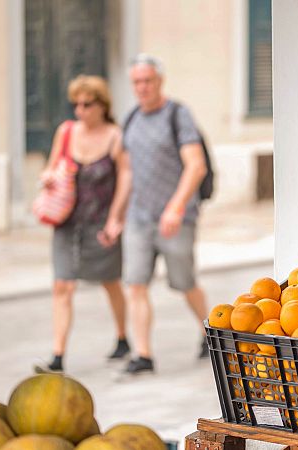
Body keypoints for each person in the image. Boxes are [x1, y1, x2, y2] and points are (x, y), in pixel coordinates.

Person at [118, 54, 209, 374]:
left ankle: (208, 333)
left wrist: (176, 206)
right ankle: (143, 354)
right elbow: (127, 173)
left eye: (148, 81)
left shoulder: (177, 115)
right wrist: (116, 214)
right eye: (137, 82)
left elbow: (196, 166)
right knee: (135, 284)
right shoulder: (130, 119)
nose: (142, 87)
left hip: (176, 218)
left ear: (160, 82)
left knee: (185, 282)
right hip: (139, 218)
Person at [37, 75, 131, 372]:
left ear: (102, 105)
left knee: (110, 282)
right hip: (67, 223)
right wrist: (47, 177)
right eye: (76, 104)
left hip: (100, 223)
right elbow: (51, 167)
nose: (80, 110)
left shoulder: (116, 136)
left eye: (87, 104)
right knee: (62, 285)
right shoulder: (66, 132)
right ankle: (58, 355)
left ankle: (122, 337)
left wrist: (116, 218)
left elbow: (126, 179)